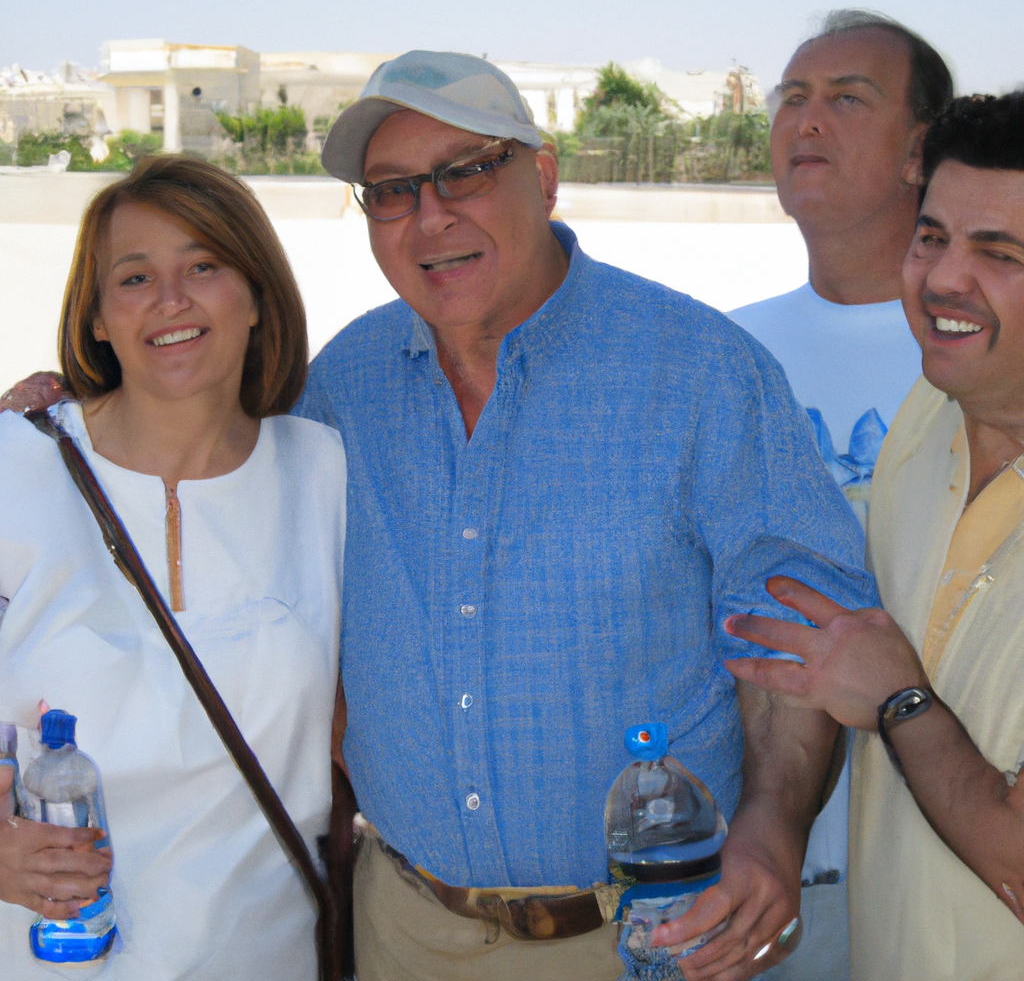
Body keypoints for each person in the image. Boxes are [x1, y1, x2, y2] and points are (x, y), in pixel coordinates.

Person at [298, 50, 877, 981]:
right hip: (404, 928)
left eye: (468, 170)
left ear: (546, 176)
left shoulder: (702, 372)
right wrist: (65, 422)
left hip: (650, 942)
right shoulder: (343, 384)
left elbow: (797, 637)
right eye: (393, 190)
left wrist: (773, 826)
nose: (431, 213)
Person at [0, 156, 346, 979]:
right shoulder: (15, 466)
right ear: (94, 317)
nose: (171, 300)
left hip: (268, 957)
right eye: (134, 277)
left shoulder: (327, 472)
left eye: (204, 265)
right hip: (56, 955)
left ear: (257, 295)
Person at [725, 92, 1024, 981]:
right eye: (931, 237)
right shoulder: (922, 421)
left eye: (999, 253)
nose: (941, 279)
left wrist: (899, 699)